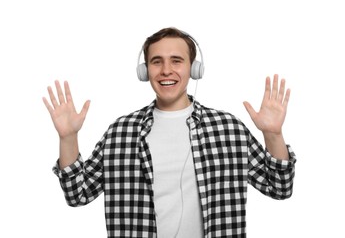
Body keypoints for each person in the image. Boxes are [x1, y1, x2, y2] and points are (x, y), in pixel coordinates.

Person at [43, 27, 296, 238]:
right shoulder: (121, 132)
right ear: (145, 72)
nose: (166, 70)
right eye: (156, 62)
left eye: (176, 60)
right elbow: (78, 194)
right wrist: (68, 138)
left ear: (194, 69)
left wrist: (273, 134)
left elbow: (279, 187)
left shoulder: (229, 129)